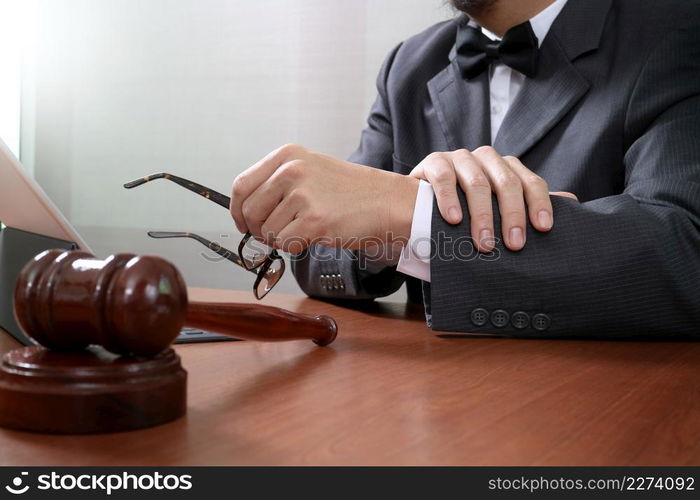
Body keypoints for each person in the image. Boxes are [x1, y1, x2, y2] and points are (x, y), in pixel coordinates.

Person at [229, 0, 700, 338]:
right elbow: (319, 254)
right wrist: (390, 231)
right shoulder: (408, 64)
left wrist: (411, 212)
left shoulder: (677, 30)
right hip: (432, 405)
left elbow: (683, 254)